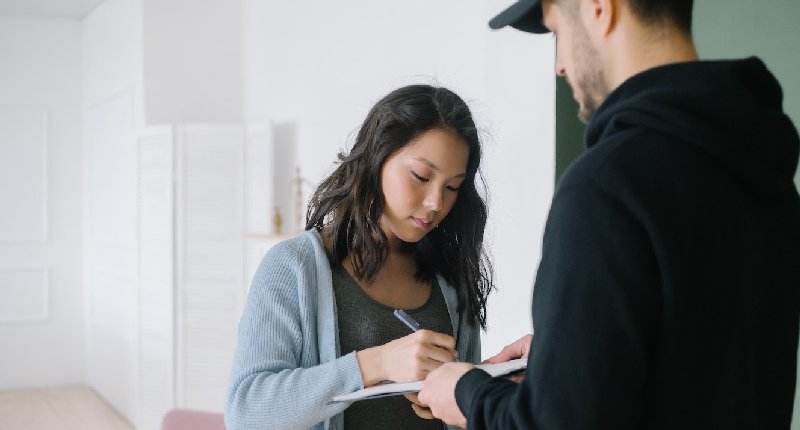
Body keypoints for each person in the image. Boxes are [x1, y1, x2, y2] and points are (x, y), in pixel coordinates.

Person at [417, 0, 800, 428]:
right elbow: (704, 357)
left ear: (601, 9)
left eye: (558, 30)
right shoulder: (763, 172)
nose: (560, 65)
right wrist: (568, 356)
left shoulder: (608, 184)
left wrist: (468, 393)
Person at [224, 84, 494, 430]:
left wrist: (479, 393)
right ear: (377, 158)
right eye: (421, 176)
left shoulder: (451, 280)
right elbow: (246, 412)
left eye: (452, 187)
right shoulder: (293, 268)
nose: (436, 203)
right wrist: (375, 365)